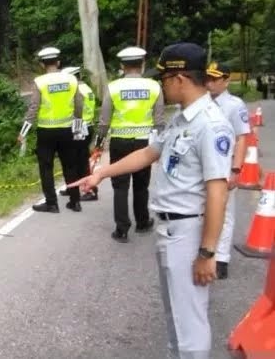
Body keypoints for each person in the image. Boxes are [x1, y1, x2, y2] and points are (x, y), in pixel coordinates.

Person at [70, 42, 233, 358]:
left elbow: (218, 191)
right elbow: (148, 153)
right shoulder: (181, 119)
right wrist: (101, 174)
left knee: (189, 323)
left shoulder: (210, 125)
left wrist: (207, 252)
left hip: (189, 232)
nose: (162, 86)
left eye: (164, 79)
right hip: (170, 231)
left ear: (180, 78)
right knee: (175, 318)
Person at [95, 46, 164, 243]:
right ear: (142, 64)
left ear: (122, 66)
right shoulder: (154, 87)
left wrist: (99, 143)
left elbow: (104, 120)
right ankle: (142, 222)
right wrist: (161, 146)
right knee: (141, 185)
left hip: (120, 141)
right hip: (144, 143)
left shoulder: (113, 87)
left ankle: (122, 229)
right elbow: (159, 120)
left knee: (120, 185)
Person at [18, 47, 84, 213]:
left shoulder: (40, 82)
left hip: (46, 132)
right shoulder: (71, 79)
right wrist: (77, 129)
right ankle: (75, 201)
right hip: (67, 130)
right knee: (70, 166)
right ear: (58, 62)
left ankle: (51, 203)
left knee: (46, 167)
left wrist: (23, 132)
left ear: (42, 64)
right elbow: (79, 105)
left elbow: (33, 108)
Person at [205, 61, 249, 279]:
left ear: (226, 81)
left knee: (225, 211)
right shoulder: (202, 102)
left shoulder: (234, 105)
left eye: (215, 79)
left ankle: (221, 258)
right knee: (203, 209)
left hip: (225, 165)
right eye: (208, 78)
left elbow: (242, 138)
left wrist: (236, 169)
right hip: (204, 164)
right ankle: (204, 251)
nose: (210, 83)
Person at [60, 66, 98, 201]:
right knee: (78, 159)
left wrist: (75, 131)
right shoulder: (86, 88)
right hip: (87, 125)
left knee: (80, 161)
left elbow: (77, 111)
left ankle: (91, 191)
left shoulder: (76, 90)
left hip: (80, 127)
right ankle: (73, 187)